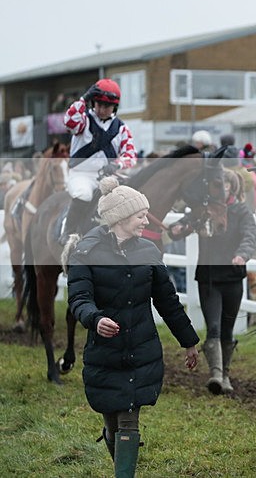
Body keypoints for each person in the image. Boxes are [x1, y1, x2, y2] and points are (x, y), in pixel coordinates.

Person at [66, 177, 200, 478]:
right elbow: (78, 298)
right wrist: (95, 319)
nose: (146, 220)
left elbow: (168, 302)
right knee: (113, 424)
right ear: (121, 218)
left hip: (141, 351)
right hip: (104, 353)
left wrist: (189, 341)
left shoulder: (150, 252)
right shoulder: (85, 252)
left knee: (129, 420)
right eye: (141, 215)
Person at [169, 169, 256, 394]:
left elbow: (250, 236)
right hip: (209, 280)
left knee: (227, 330)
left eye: (226, 185)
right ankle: (216, 375)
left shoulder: (241, 212)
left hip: (233, 279)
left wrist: (242, 254)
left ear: (232, 187)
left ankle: (225, 375)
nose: (223, 189)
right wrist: (177, 229)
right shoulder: (203, 209)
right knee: (214, 327)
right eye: (219, 185)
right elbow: (178, 229)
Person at [60, 78, 137, 244]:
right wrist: (83, 99)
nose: (101, 109)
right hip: (82, 175)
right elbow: (69, 122)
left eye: (106, 106)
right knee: (83, 194)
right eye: (98, 104)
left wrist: (118, 164)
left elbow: (131, 155)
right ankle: (68, 232)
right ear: (93, 102)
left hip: (108, 177)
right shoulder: (84, 120)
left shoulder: (122, 128)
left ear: (114, 107)